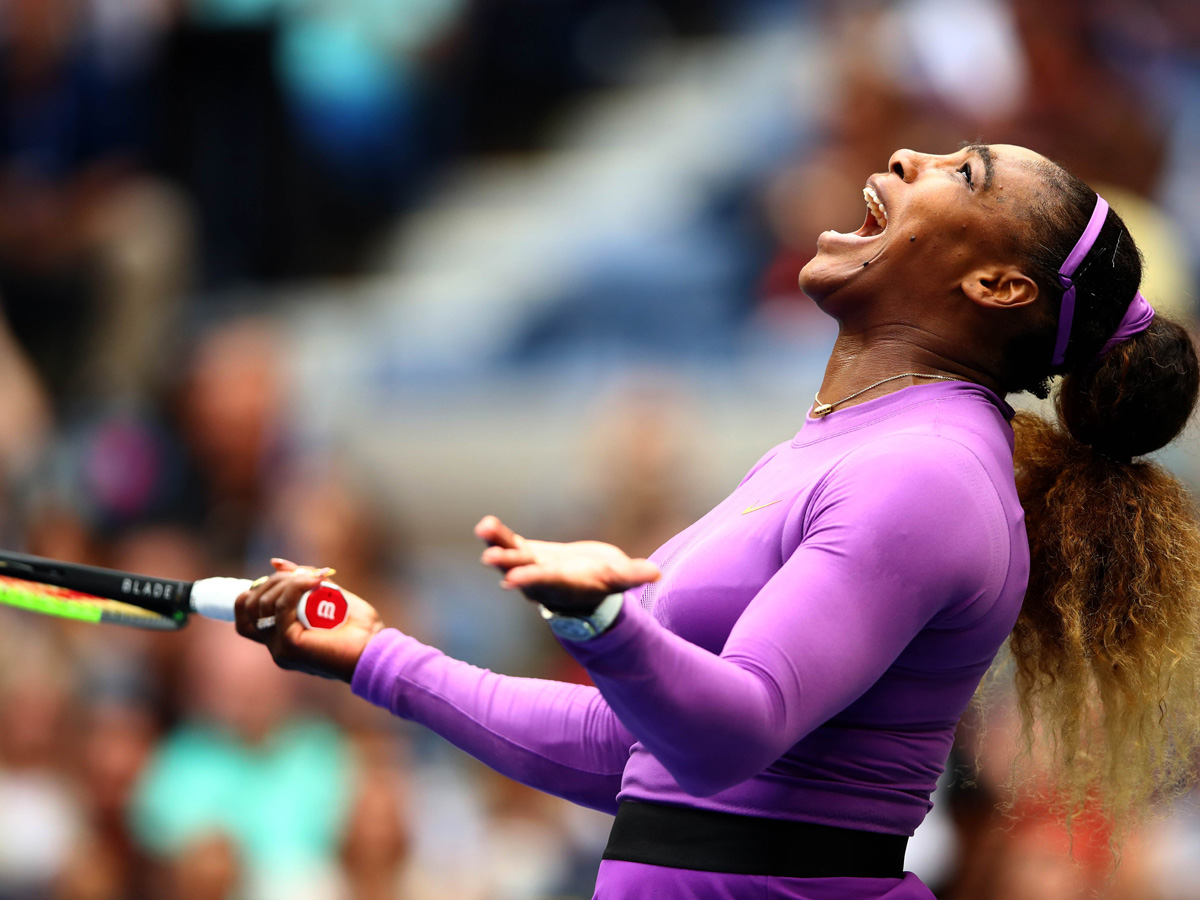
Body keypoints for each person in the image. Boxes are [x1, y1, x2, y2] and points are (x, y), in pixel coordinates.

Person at [234, 144, 1200, 900]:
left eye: (965, 173)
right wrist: (373, 655)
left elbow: (733, 732)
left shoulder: (927, 474)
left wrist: (600, 624)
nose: (913, 160)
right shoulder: (837, 448)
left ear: (998, 287)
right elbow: (631, 748)